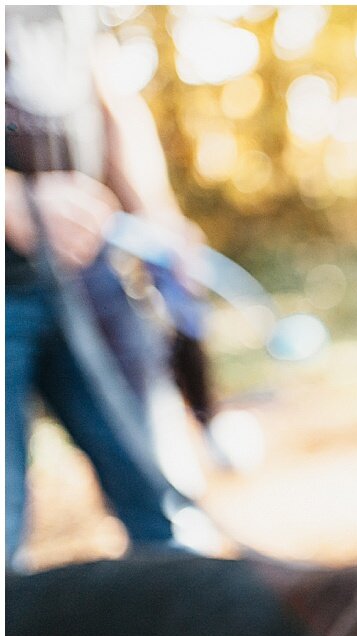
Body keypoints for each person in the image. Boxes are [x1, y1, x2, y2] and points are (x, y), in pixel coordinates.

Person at [5, 7, 211, 569]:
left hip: (87, 274)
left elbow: (112, 102)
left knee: (157, 491)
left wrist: (162, 221)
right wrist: (12, 201)